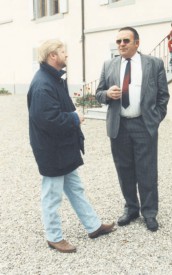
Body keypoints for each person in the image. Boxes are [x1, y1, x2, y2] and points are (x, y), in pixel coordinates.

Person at [27, 39, 115, 253]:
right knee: (52, 194)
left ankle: (93, 226)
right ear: (52, 56)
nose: (67, 55)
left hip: (63, 147)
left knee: (75, 188)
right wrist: (75, 118)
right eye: (63, 52)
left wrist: (72, 116)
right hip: (52, 150)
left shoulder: (53, 79)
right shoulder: (43, 84)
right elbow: (48, 120)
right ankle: (53, 237)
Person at [96, 27, 170, 232]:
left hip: (143, 124)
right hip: (119, 126)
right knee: (124, 170)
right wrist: (107, 94)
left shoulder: (153, 64)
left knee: (147, 170)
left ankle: (149, 213)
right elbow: (98, 93)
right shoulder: (109, 65)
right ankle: (131, 209)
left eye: (126, 40)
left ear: (137, 43)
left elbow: (163, 96)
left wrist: (155, 119)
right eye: (118, 41)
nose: (121, 44)